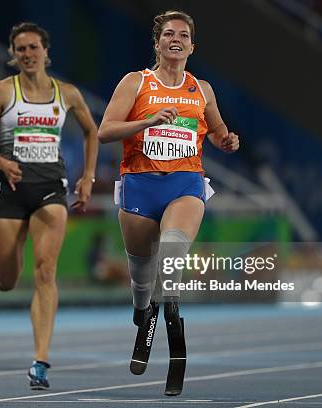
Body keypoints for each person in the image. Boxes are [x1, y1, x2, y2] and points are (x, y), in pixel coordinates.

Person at [97, 9, 239, 389]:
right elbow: (105, 131)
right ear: (157, 43)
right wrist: (147, 121)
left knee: (171, 261)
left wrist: (225, 140)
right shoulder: (136, 82)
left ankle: (175, 331)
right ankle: (144, 313)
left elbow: (217, 129)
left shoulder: (201, 88)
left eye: (184, 35)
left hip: (185, 183)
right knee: (143, 283)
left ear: (192, 46)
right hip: (140, 185)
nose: (176, 39)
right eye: (169, 34)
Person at [0, 22, 98, 390]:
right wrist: (0, 162)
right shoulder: (2, 92)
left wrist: (88, 176)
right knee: (5, 281)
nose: (27, 54)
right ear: (14, 55)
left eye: (33, 48)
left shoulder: (68, 94)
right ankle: (18, 242)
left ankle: (40, 360)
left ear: (46, 51)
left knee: (46, 272)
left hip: (50, 190)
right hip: (11, 190)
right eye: (21, 49)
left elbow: (92, 131)